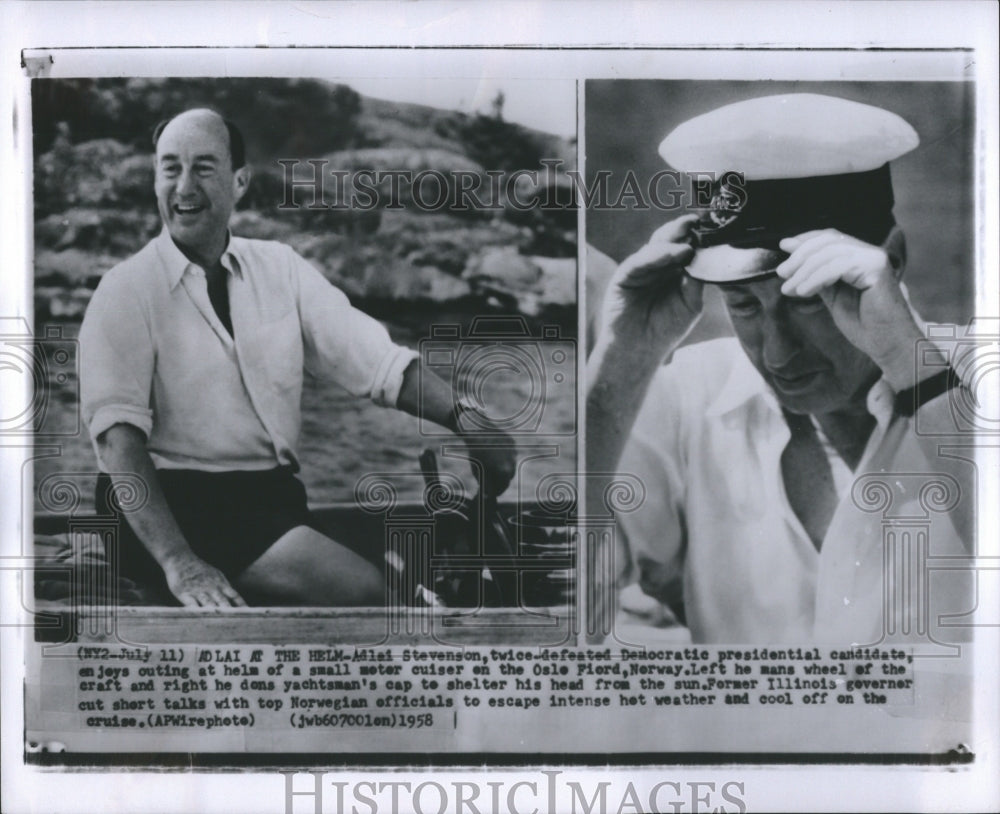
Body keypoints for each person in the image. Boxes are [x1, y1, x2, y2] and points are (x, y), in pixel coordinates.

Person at [79, 108, 516, 609]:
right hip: (166, 508)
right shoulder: (125, 289)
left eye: (203, 167)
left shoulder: (280, 268)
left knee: (401, 568)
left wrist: (470, 420)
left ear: (240, 181)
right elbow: (117, 446)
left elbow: (376, 362)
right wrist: (180, 563)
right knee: (370, 592)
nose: (184, 187)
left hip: (268, 501)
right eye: (169, 167)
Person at [587, 94, 975, 644]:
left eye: (806, 298)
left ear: (893, 259)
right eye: (743, 305)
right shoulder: (685, 397)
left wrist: (912, 367)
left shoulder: (977, 388)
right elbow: (560, 607)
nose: (776, 354)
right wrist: (621, 361)